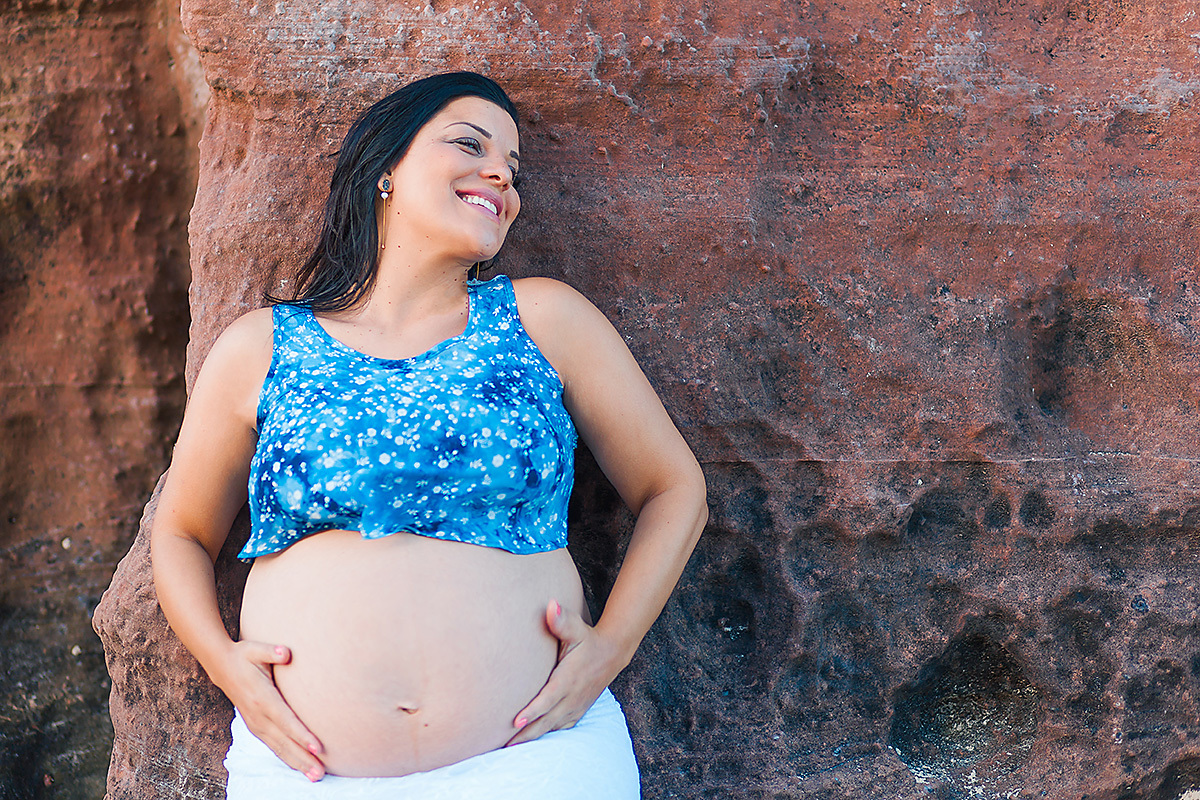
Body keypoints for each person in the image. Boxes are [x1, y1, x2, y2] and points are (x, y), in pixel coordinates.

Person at [150, 71, 707, 799]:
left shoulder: (544, 320)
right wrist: (228, 670)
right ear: (385, 168)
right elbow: (182, 532)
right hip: (310, 771)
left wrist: (610, 648)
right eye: (469, 144)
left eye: (513, 167)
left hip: (536, 762)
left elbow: (677, 490)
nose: (501, 173)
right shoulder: (263, 347)